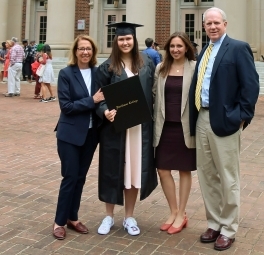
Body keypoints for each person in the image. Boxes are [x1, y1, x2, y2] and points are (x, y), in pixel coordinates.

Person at [188, 7, 259, 251]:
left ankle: (229, 228)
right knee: (207, 176)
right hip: (202, 118)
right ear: (204, 26)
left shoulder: (238, 49)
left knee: (228, 177)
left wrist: (241, 117)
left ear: (225, 24)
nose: (213, 27)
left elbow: (250, 86)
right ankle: (214, 222)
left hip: (226, 121)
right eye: (208, 23)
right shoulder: (205, 50)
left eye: (217, 23)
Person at [95, 22, 157, 236]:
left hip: (140, 129)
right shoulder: (108, 66)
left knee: (134, 172)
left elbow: (155, 92)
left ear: (134, 39)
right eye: (121, 39)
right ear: (116, 41)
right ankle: (109, 216)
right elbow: (99, 97)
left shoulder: (146, 62)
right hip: (116, 129)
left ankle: (129, 217)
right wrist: (105, 111)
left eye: (128, 38)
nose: (125, 42)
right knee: (113, 170)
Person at [52, 35, 104, 240]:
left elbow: (104, 99)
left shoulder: (97, 73)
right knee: (70, 177)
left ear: (93, 52)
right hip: (69, 135)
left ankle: (72, 217)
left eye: (88, 49)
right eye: (81, 48)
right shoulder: (66, 74)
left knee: (80, 178)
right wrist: (92, 100)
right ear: (75, 51)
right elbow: (66, 107)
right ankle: (59, 221)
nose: (85, 52)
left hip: (91, 135)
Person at [153, 31, 196, 234]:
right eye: (172, 46)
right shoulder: (160, 68)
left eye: (179, 46)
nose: (175, 49)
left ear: (186, 47)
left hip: (185, 127)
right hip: (164, 126)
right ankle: (173, 210)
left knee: (184, 170)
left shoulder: (194, 68)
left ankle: (182, 214)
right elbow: (153, 94)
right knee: (162, 170)